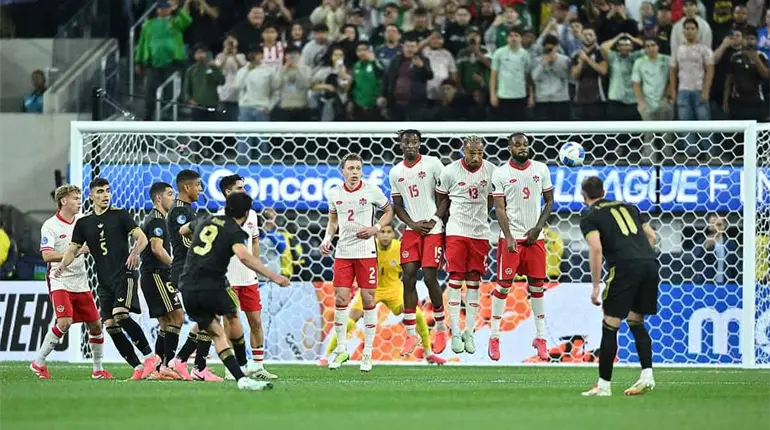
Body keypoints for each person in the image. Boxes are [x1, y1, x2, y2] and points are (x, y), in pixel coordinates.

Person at [178, 192, 289, 391]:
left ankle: (240, 378)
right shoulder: (234, 231)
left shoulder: (206, 220)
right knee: (232, 317)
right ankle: (244, 364)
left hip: (187, 287)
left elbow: (183, 230)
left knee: (217, 332)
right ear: (246, 213)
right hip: (212, 285)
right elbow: (245, 257)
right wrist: (275, 276)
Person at [55, 178, 154, 380]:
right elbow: (72, 249)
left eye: (108, 191)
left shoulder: (120, 215)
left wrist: (135, 253)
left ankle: (151, 357)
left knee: (121, 315)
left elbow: (142, 238)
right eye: (100, 191)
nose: (105, 195)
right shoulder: (83, 223)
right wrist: (61, 266)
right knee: (110, 325)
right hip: (104, 282)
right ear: (91, 196)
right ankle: (137, 367)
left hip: (124, 275)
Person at [320, 225, 446, 366]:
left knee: (417, 315)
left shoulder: (400, 248)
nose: (385, 235)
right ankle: (326, 356)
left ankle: (429, 354)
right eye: (382, 232)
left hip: (394, 290)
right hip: (371, 289)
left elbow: (410, 270)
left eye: (388, 232)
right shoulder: (368, 248)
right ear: (376, 234)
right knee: (349, 321)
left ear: (393, 234)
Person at [578, 176, 658, 397]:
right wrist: (640, 255)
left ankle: (603, 386)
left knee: (610, 324)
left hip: (624, 267)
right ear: (604, 191)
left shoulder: (590, 215)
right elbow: (651, 236)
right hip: (650, 264)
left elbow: (596, 249)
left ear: (584, 196)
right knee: (635, 320)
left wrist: (595, 285)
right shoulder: (629, 207)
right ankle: (647, 376)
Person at [320, 153, 395, 372]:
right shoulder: (334, 193)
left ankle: (367, 353)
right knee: (341, 298)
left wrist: (376, 229)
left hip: (366, 252)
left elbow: (389, 211)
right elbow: (332, 221)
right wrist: (327, 240)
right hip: (343, 252)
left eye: (358, 168)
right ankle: (342, 348)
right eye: (350, 168)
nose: (354, 172)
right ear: (342, 171)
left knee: (368, 298)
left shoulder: (371, 190)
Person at [32, 185, 113, 380]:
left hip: (81, 281)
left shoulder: (83, 221)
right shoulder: (50, 226)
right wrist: (75, 251)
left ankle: (97, 370)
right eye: (75, 198)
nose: (79, 202)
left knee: (95, 325)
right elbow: (47, 255)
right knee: (65, 322)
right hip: (59, 280)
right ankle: (39, 363)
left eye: (79, 198)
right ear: (63, 201)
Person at [490, 133, 555, 362]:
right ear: (510, 148)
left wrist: (538, 228)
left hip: (534, 238)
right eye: (517, 145)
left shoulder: (541, 169)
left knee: (537, 286)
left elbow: (549, 201)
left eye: (525, 144)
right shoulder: (500, 173)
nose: (522, 148)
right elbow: (499, 208)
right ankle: (495, 336)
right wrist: (508, 236)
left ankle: (541, 337)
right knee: (503, 286)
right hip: (511, 239)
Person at [388, 129, 448, 356]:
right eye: (407, 142)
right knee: (409, 276)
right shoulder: (395, 172)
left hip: (434, 228)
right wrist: (412, 225)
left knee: (431, 276)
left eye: (415, 141)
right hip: (412, 230)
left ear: (420, 143)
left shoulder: (433, 164)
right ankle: (411, 333)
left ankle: (441, 328)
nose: (411, 145)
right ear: (401, 145)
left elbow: (445, 197)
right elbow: (397, 205)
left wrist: (434, 219)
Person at [435, 136, 496, 355]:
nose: (476, 156)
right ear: (463, 150)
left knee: (474, 281)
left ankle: (469, 331)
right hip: (456, 231)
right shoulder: (450, 171)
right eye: (472, 152)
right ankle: (456, 331)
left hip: (480, 233)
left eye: (479, 152)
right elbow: (441, 198)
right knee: (454, 279)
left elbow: (493, 199)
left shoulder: (491, 170)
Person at [216, 175, 279, 380]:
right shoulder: (219, 217)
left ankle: (258, 366)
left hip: (249, 278)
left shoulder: (252, 214)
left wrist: (257, 268)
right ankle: (230, 367)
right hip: (228, 279)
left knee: (256, 321)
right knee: (231, 323)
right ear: (227, 192)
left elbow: (255, 242)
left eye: (244, 187)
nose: (244, 191)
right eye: (239, 188)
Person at [165, 169, 216, 382]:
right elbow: (186, 242)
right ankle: (195, 366)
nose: (201, 189)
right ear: (187, 187)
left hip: (192, 271)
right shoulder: (179, 211)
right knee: (209, 316)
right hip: (186, 271)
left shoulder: (187, 210)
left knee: (209, 316)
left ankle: (183, 361)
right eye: (198, 185)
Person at [139, 182, 185, 380]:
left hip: (151, 275)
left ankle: (158, 368)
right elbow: (157, 248)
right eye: (169, 194)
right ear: (158, 198)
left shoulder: (156, 218)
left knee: (166, 323)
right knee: (177, 317)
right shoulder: (157, 220)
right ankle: (167, 365)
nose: (173, 198)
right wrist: (175, 265)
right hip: (157, 274)